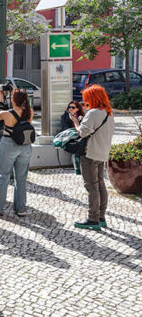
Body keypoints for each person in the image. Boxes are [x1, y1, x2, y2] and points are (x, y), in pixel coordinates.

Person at [71, 85, 115, 231]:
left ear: (93, 98)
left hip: (90, 154)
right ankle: (101, 217)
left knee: (91, 186)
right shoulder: (109, 113)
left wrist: (76, 122)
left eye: (87, 99)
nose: (86, 102)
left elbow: (82, 133)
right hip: (102, 153)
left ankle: (92, 219)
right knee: (100, 184)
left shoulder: (93, 113)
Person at [0, 90, 33, 217]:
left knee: (3, 176)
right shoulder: (29, 112)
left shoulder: (7, 114)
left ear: (13, 100)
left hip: (9, 144)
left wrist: (1, 98)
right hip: (26, 146)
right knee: (21, 178)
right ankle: (21, 208)